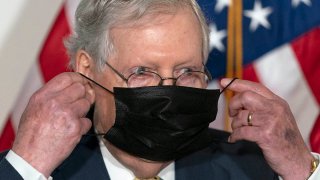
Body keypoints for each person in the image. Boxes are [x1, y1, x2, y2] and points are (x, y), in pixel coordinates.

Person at [0, 0, 319, 179]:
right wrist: (26, 168)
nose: (169, 94)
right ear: (87, 68)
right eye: (143, 72)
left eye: (187, 72)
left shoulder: (254, 170)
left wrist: (302, 168)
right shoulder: (37, 169)